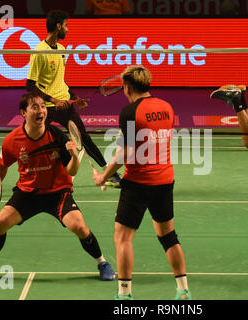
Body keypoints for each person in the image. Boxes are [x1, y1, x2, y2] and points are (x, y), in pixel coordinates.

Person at [0, 10, 121, 199]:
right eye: (66, 25)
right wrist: (53, 101)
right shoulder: (39, 51)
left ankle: (110, 174)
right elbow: (30, 85)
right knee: (19, 142)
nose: (68, 30)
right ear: (58, 26)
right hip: (46, 109)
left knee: (84, 138)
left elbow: (59, 81)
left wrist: (75, 97)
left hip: (65, 105)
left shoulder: (61, 50)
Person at [0, 92, 115, 282]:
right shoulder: (12, 140)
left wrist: (73, 156)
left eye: (43, 107)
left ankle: (102, 263)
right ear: (24, 112)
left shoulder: (56, 135)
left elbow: (71, 172)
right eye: (35, 107)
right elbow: (2, 163)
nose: (41, 111)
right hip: (28, 193)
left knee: (79, 226)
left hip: (57, 193)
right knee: (0, 224)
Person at [93, 66, 191, 300]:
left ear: (127, 87)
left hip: (138, 182)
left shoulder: (129, 111)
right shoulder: (167, 107)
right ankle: (183, 290)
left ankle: (124, 294)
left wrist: (104, 176)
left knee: (123, 238)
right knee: (168, 237)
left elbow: (126, 154)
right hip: (165, 180)